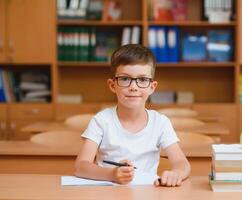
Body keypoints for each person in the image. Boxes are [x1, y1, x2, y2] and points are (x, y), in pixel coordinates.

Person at [75, 44, 190, 187]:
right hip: (107, 193)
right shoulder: (101, 121)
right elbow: (81, 166)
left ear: (152, 87)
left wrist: (176, 174)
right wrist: (112, 174)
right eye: (125, 79)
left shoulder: (160, 123)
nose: (133, 87)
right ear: (112, 85)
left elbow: (182, 163)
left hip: (148, 194)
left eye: (142, 80)